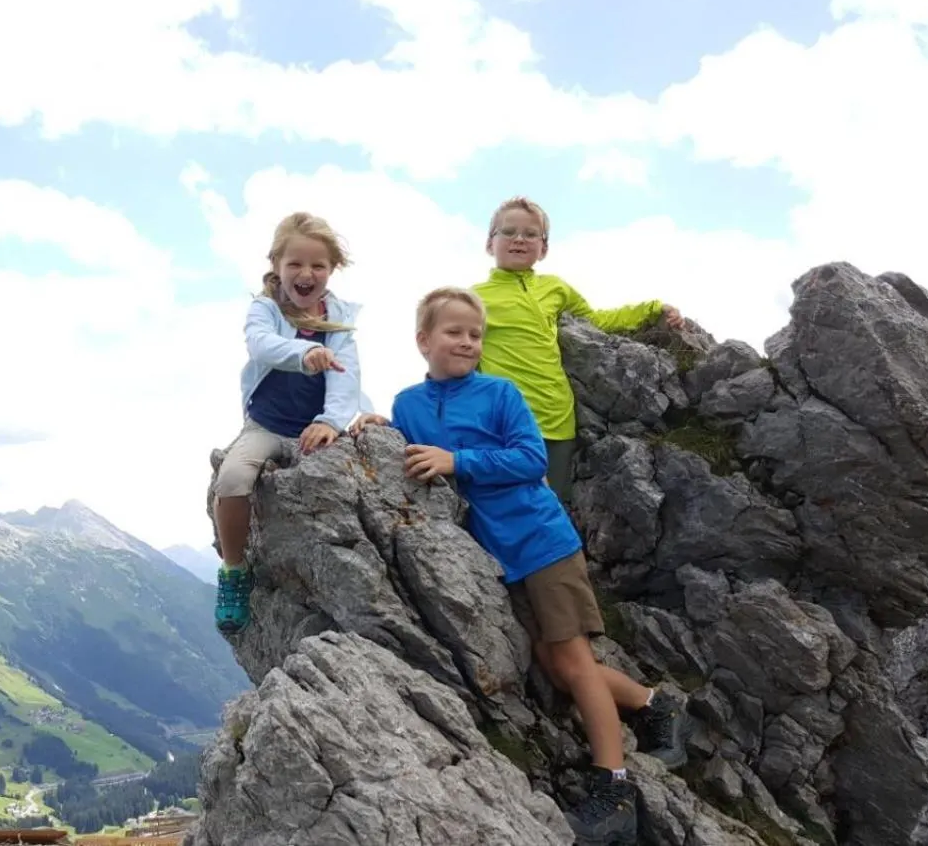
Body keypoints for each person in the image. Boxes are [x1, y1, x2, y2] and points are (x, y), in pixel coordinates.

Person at [353, 287, 689, 845]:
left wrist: (457, 460)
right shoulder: (409, 403)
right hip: (495, 558)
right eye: (453, 332)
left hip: (541, 539)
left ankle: (616, 790)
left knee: (574, 662)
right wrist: (376, 425)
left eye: (475, 334)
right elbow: (407, 446)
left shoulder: (500, 392)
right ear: (422, 341)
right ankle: (652, 702)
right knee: (553, 667)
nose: (466, 341)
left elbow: (532, 457)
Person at [209, 211, 369, 635]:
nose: (306, 273)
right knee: (232, 480)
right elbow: (261, 346)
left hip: (313, 428)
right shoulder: (264, 309)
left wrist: (332, 421)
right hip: (265, 426)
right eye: (295, 263)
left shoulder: (337, 319)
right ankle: (233, 571)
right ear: (277, 266)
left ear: (332, 270)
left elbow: (346, 374)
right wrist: (302, 354)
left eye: (318, 265)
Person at [474, 196, 683, 504]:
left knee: (553, 510)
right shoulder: (474, 299)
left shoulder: (556, 288)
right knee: (508, 510)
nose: (519, 239)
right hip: (506, 422)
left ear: (543, 249)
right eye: (508, 232)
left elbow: (597, 320)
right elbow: (457, 357)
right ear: (490, 244)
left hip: (558, 420)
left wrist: (652, 309)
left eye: (531, 234)